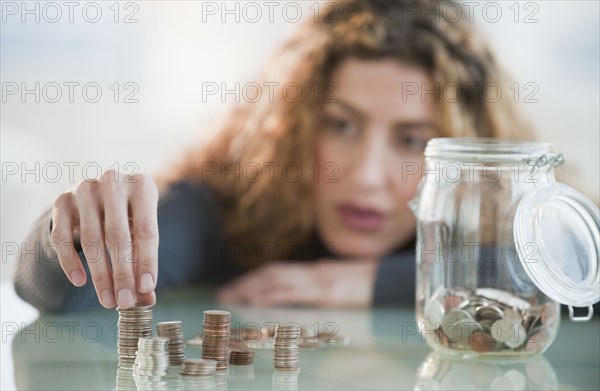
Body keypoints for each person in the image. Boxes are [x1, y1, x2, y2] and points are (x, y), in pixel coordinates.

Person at [13, 0, 530, 313]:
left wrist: (374, 282)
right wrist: (79, 233)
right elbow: (61, 295)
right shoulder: (228, 206)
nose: (367, 177)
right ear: (292, 126)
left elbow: (576, 272)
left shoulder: (516, 216)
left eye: (412, 140)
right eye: (341, 124)